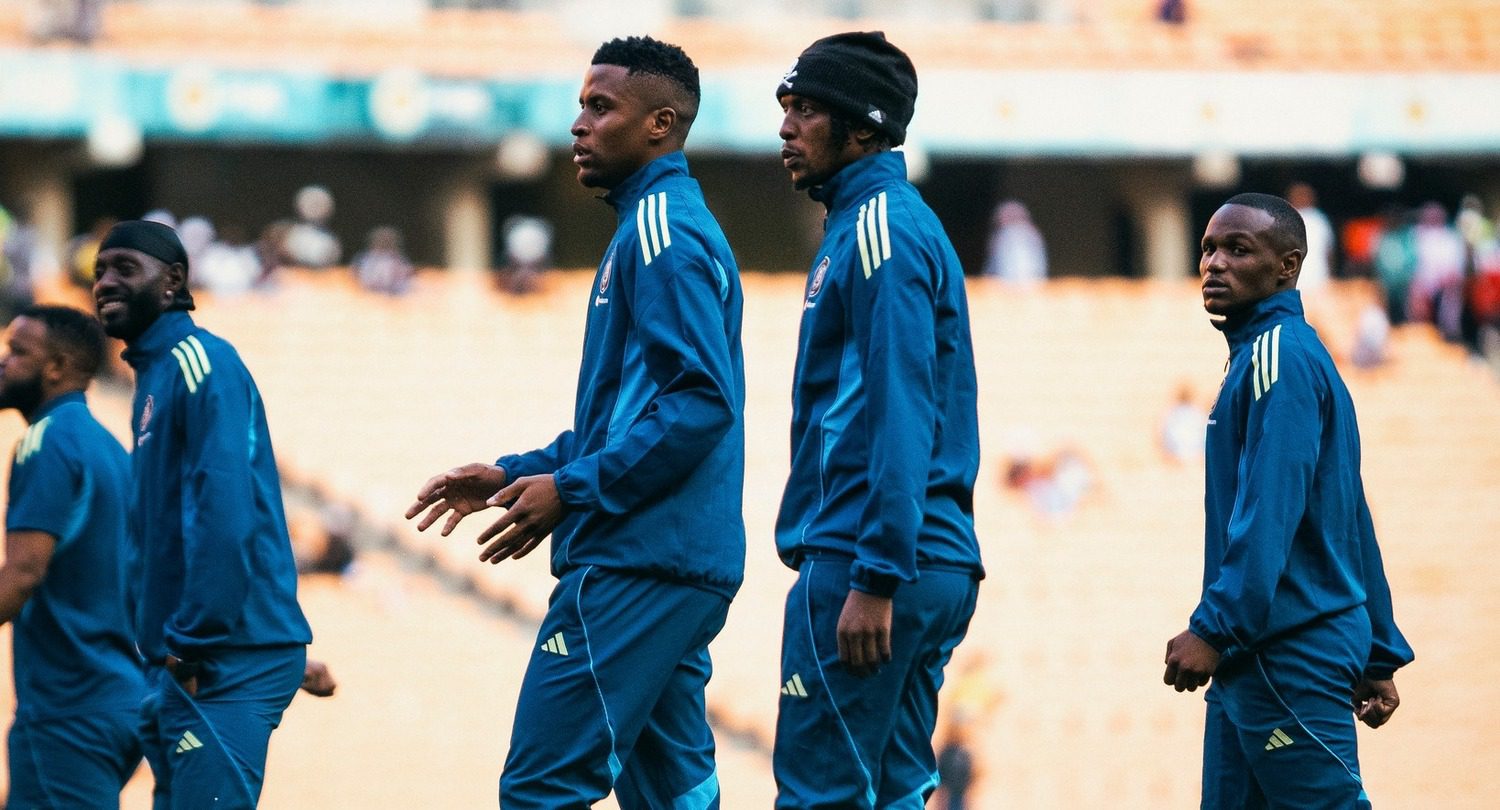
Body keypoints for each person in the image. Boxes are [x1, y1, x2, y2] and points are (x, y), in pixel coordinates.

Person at [405, 36, 744, 809]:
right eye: (579, 106)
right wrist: (515, 472)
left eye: (600, 106)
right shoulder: (652, 228)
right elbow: (627, 422)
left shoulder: (663, 232)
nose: (579, 125)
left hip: (638, 559)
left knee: (540, 789)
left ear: (660, 124)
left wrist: (575, 489)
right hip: (672, 558)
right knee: (675, 800)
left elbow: (698, 404)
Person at [772, 31, 984, 809]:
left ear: (862, 127)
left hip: (873, 557)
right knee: (891, 793)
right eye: (784, 108)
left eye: (806, 110)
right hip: (923, 556)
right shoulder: (882, 222)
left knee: (820, 794)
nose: (787, 127)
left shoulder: (879, 231)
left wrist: (875, 573)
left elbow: (899, 407)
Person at [1163, 193, 1414, 808]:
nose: (1214, 263)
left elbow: (1270, 510)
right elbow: (1349, 515)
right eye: (1208, 249)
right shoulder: (1263, 358)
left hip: (1285, 651)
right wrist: (1378, 647)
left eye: (1237, 249)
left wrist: (1215, 627)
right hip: (1254, 658)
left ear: (1288, 266)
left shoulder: (1281, 357)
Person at [91, 219, 313, 808]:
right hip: (182, 661)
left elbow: (226, 516)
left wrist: (191, 644)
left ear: (173, 283)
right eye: (99, 271)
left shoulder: (201, 362)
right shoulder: (153, 375)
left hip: (218, 659)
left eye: (124, 269)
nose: (106, 283)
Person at [0, 305, 145, 808]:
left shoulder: (46, 441)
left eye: (18, 352)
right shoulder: (107, 448)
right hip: (117, 699)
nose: (3, 361)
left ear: (57, 368)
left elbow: (21, 575)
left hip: (68, 706)